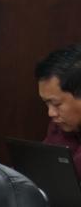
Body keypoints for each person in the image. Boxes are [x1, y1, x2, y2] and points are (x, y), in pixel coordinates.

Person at [35, 43, 81, 176]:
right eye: (47, 103)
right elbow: (42, 166)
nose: (51, 113)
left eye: (56, 104)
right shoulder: (61, 125)